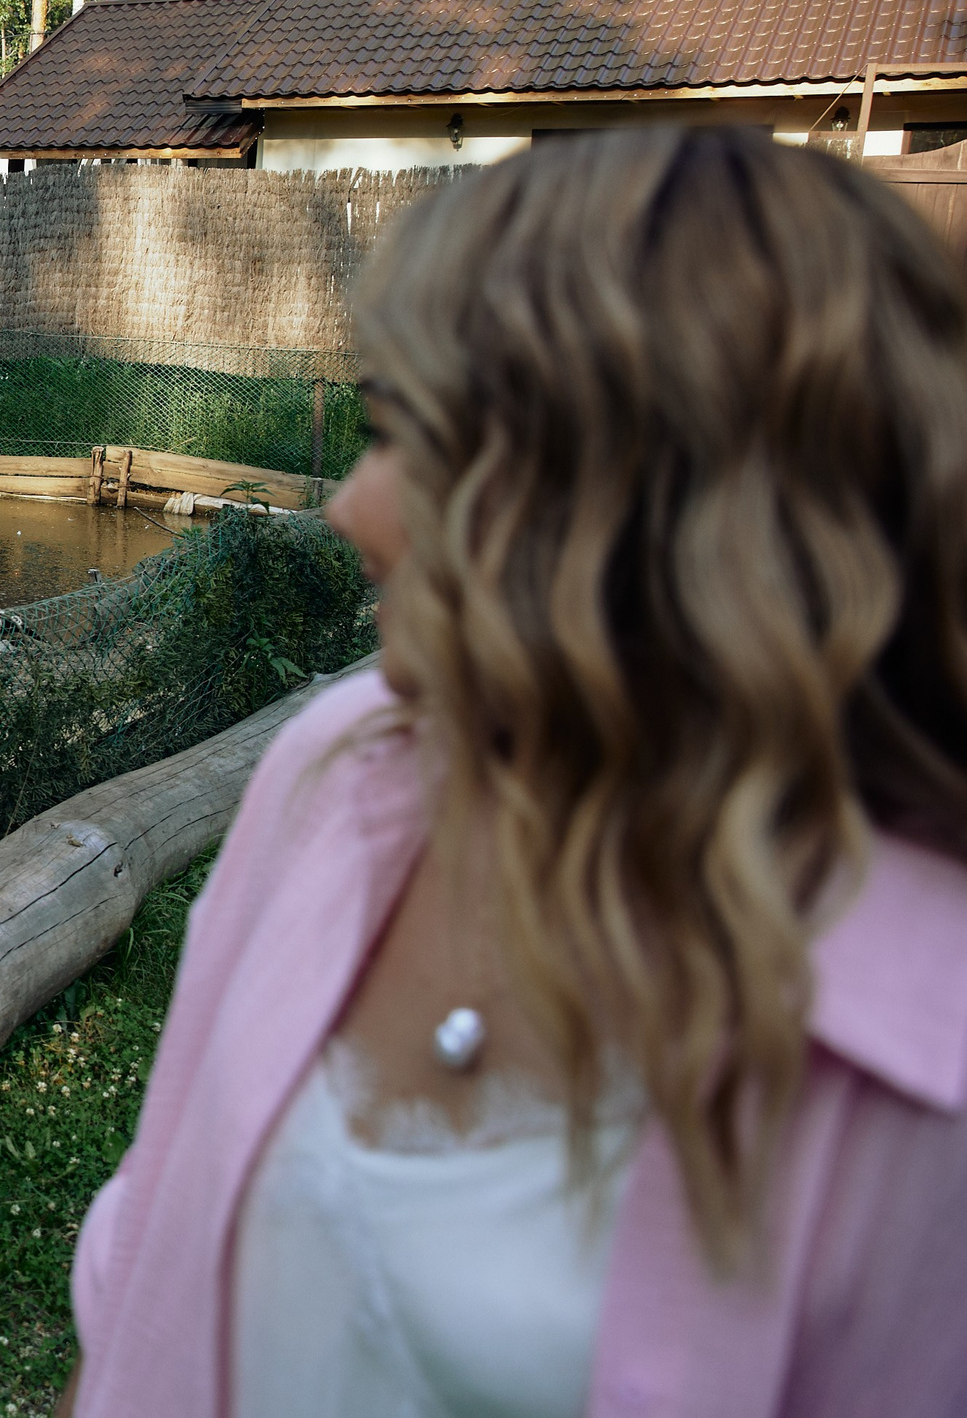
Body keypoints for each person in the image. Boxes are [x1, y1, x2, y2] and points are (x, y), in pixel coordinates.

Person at [60, 127, 967, 1417]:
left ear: (645, 499)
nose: (350, 511)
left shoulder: (926, 1082)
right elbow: (139, 1265)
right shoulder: (338, 768)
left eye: (414, 441)